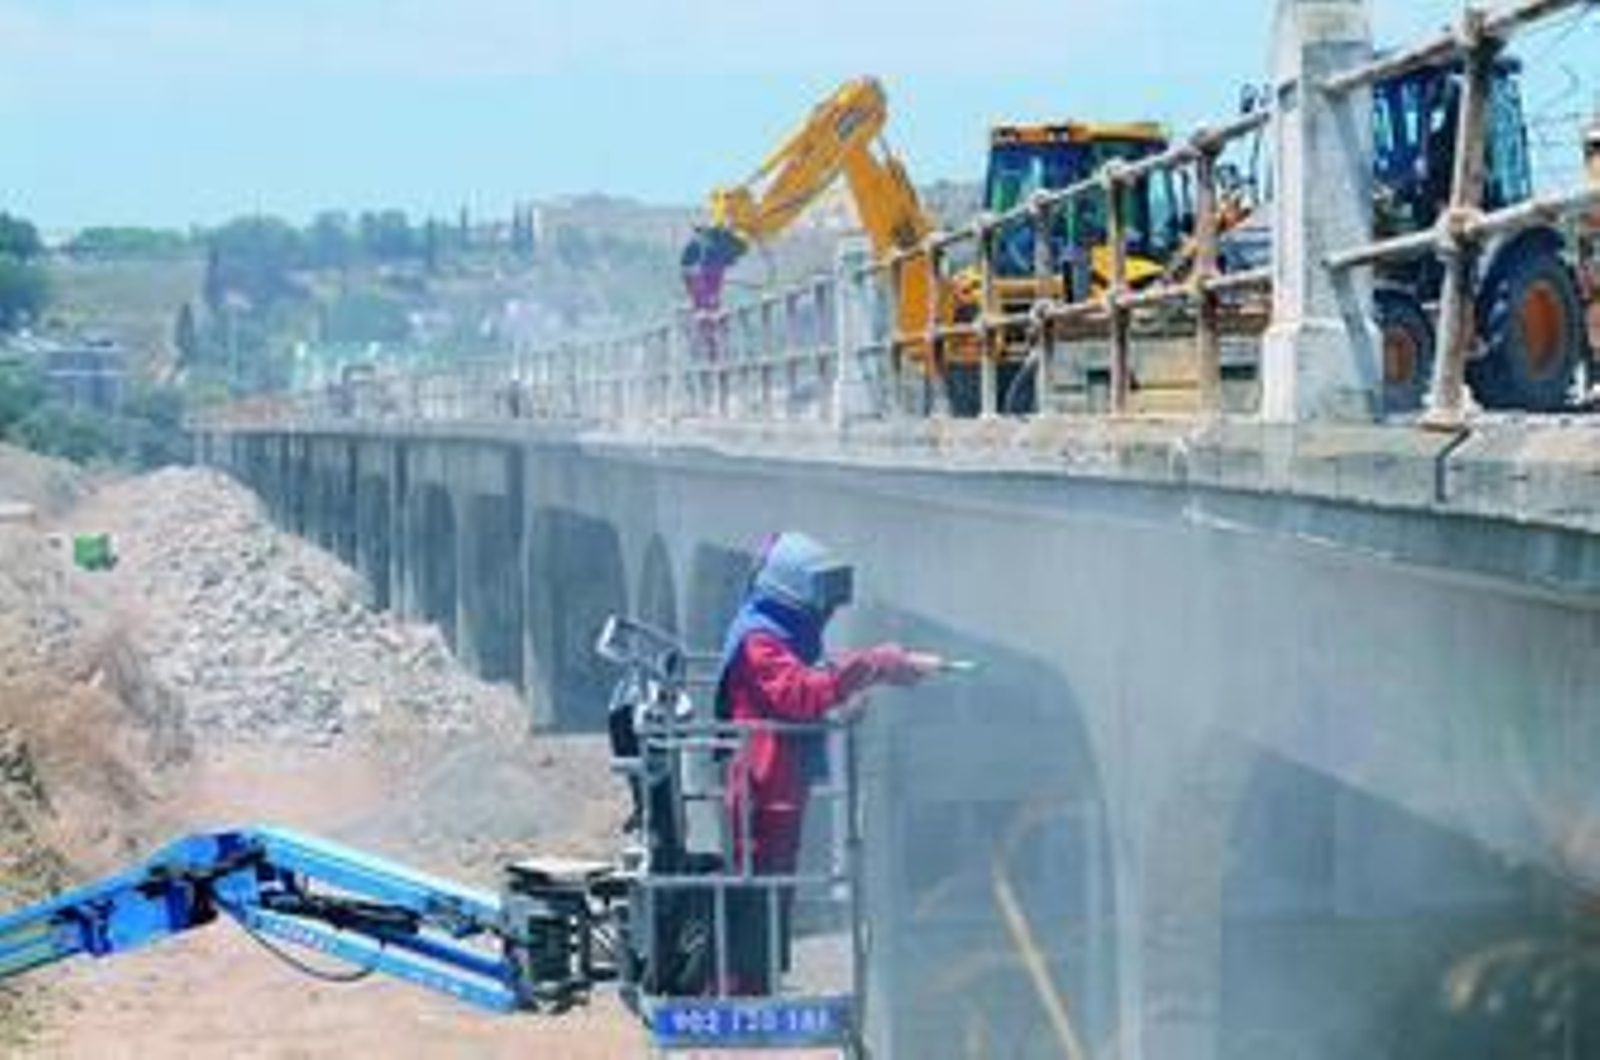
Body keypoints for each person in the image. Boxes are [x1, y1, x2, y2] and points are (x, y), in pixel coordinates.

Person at [714, 531, 934, 995]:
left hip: (779, 777)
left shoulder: (775, 636)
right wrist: (871, 665)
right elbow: (798, 692)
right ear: (792, 590)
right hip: (760, 779)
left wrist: (863, 681)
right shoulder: (758, 640)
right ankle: (740, 987)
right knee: (757, 884)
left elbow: (813, 677)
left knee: (776, 884)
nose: (827, 612)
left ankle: (759, 981)